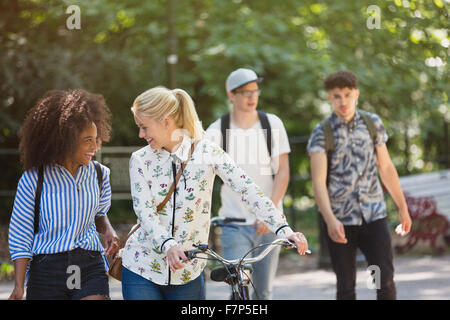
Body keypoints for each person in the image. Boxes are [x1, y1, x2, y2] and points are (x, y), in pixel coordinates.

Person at [121, 86, 308, 300]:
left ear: (166, 121)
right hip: (142, 267)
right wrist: (168, 245)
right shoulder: (140, 160)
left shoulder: (206, 152)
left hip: (187, 271)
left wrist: (283, 229)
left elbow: (247, 188)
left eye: (144, 127)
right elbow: (145, 211)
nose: (140, 134)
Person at [307, 70, 412, 300]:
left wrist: (402, 207)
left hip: (373, 215)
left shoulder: (372, 123)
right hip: (340, 220)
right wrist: (330, 219)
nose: (343, 101)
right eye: (337, 96)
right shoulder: (321, 133)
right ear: (329, 97)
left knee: (381, 279)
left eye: (347, 94)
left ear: (356, 94)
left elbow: (386, 168)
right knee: (346, 285)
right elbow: (317, 182)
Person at [8, 89, 119, 300]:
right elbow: (20, 233)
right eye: (87, 140)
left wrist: (107, 229)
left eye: (96, 139)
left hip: (89, 264)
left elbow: (99, 214)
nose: (94, 147)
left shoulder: (99, 174)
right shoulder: (34, 179)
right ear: (65, 140)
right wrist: (19, 286)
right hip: (47, 268)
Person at [205, 68, 291, 300]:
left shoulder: (271, 124)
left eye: (255, 91)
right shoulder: (216, 131)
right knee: (239, 289)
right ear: (231, 95)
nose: (252, 97)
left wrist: (269, 213)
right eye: (245, 92)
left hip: (269, 225)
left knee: (263, 292)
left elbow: (282, 172)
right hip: (233, 224)